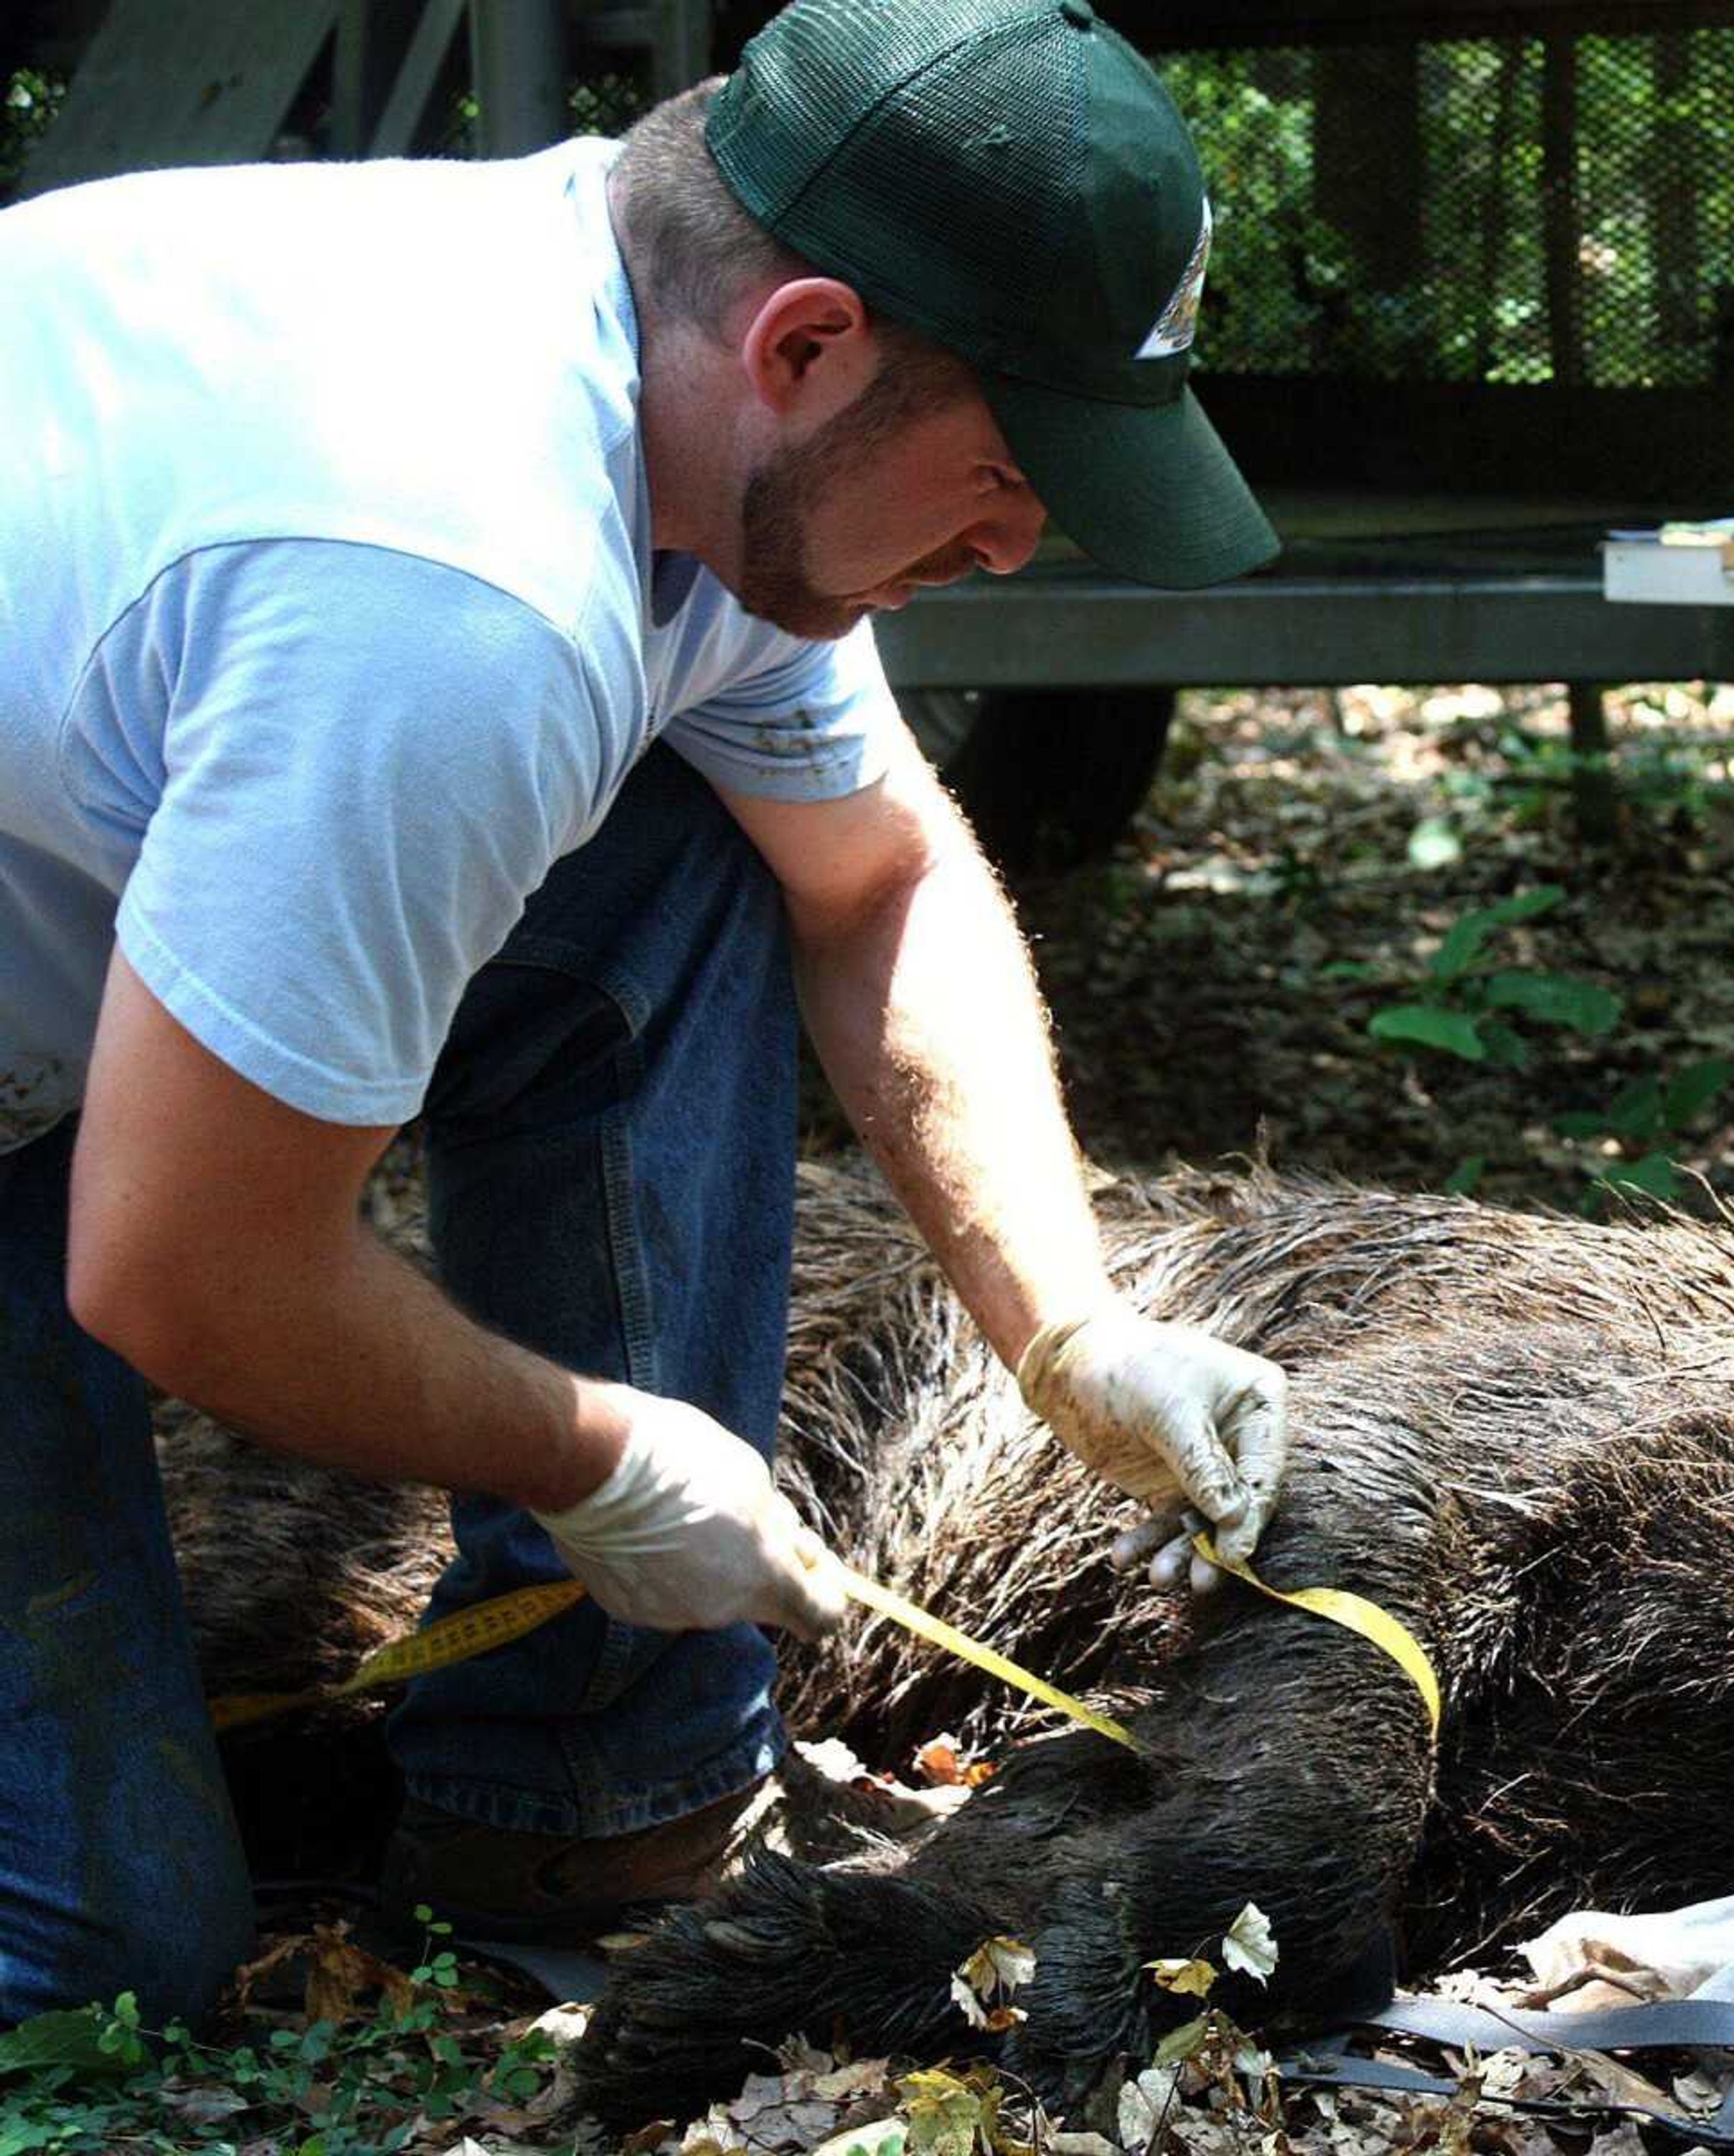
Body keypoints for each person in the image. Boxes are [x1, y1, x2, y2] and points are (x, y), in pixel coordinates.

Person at [0, 0, 1295, 2026]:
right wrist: (599, 1454)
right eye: (1010, 470)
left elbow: (879, 878)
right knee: (88, 1947)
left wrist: (1073, 1326)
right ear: (807, 343)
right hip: (69, 1097)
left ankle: (593, 1792)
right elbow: (181, 1265)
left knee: (698, 843)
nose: (1017, 543)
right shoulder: (451, 583)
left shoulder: (686, 411)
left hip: (71, 938)